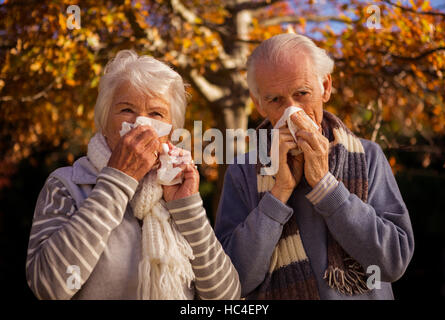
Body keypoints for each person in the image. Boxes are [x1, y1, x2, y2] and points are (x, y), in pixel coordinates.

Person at [26, 50, 241, 300]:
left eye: (156, 114)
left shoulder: (176, 189)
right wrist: (118, 179)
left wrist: (188, 208)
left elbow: (227, 298)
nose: (141, 123)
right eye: (127, 109)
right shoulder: (66, 184)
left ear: (172, 131)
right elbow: (48, 286)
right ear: (104, 121)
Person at [214, 33, 414, 299]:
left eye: (302, 93)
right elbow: (232, 281)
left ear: (325, 87)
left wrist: (325, 186)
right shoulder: (243, 170)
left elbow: (392, 262)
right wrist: (280, 192)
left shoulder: (368, 156)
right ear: (258, 103)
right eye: (275, 100)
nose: (291, 111)